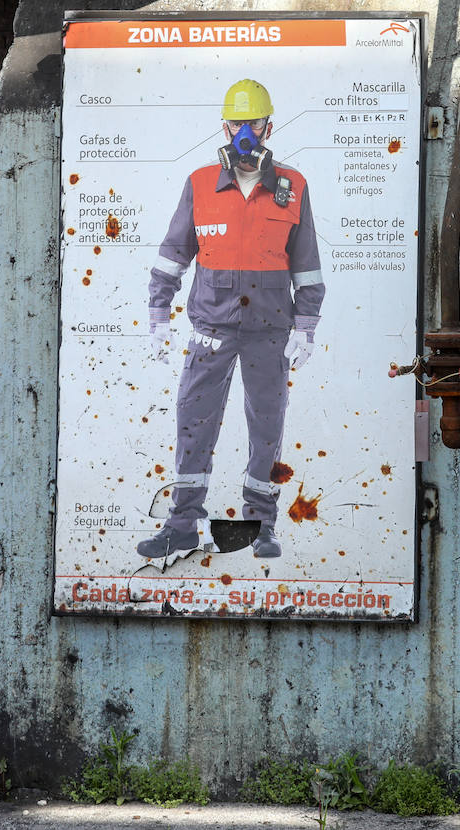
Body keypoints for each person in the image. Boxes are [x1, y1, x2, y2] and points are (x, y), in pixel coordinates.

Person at [135, 79, 324, 559]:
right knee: (193, 422)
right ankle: (181, 526)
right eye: (237, 123)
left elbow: (306, 265)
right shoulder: (200, 184)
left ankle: (261, 526)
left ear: (268, 126)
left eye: (253, 123)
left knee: (266, 425)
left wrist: (307, 325)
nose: (245, 131)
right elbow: (173, 255)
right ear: (225, 126)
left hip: (269, 333)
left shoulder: (292, 187)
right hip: (210, 332)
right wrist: (159, 314)